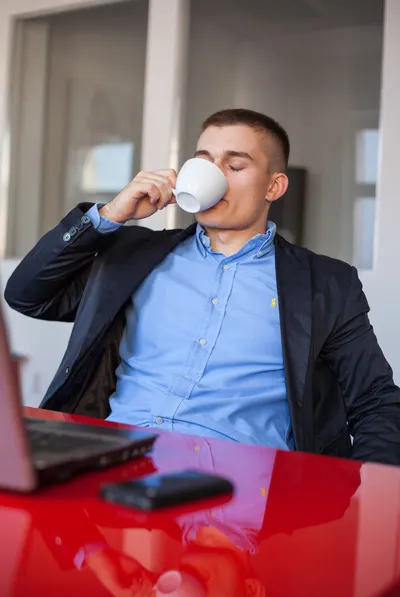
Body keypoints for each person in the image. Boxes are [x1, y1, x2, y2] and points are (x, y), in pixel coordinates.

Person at [5, 108, 400, 464]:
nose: (214, 174)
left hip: (241, 488)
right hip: (115, 462)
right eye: (204, 160)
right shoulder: (134, 255)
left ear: (274, 187)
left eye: (235, 165)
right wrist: (108, 215)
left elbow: (376, 402)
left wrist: (361, 496)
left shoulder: (325, 283)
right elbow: (26, 295)